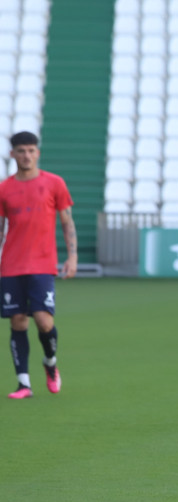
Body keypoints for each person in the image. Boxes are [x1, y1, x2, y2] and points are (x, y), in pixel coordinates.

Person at [1, 131, 76, 400]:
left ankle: (50, 362)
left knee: (44, 321)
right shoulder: (4, 188)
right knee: (18, 321)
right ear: (12, 154)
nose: (27, 155)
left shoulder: (54, 183)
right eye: (21, 151)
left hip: (43, 264)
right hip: (11, 265)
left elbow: (67, 221)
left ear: (38, 153)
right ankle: (24, 384)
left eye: (31, 150)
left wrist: (72, 257)